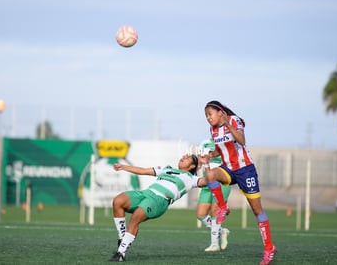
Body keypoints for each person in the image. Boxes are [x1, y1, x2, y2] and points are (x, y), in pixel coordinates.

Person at [202, 100, 277, 265]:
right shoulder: (213, 129)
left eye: (210, 114)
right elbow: (220, 149)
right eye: (206, 115)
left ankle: (269, 248)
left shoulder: (234, 120)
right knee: (210, 175)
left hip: (245, 170)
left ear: (220, 112)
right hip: (228, 168)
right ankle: (223, 207)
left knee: (257, 211)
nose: (208, 118)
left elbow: (241, 141)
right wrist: (209, 155)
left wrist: (228, 124)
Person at [109, 154, 207, 262]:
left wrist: (209, 164)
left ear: (192, 166)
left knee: (134, 219)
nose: (183, 158)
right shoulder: (167, 169)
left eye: (187, 158)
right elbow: (143, 171)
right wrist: (123, 167)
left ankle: (120, 253)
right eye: (183, 156)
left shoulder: (191, 179)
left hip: (159, 200)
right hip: (146, 193)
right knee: (118, 201)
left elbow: (209, 180)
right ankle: (122, 238)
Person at [196, 139, 231, 252]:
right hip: (207, 183)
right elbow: (200, 161)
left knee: (215, 211)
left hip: (221, 182)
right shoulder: (204, 142)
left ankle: (214, 244)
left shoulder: (225, 142)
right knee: (200, 214)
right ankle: (222, 231)